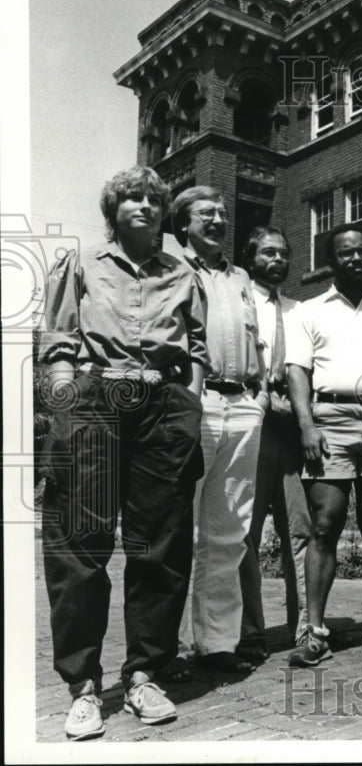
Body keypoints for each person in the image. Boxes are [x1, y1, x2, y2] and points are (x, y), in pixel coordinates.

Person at [39, 165, 206, 739]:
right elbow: (58, 341)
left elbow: (199, 347)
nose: (143, 205)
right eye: (131, 198)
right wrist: (65, 411)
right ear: (113, 211)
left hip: (163, 407)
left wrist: (191, 405)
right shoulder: (82, 264)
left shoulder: (184, 273)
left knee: (160, 544)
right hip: (94, 400)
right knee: (79, 544)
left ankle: (144, 675)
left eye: (152, 199)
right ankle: (83, 686)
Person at [285, 223, 362, 666]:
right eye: (345, 253)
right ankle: (315, 629)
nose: (355, 258)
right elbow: (297, 371)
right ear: (330, 261)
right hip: (330, 420)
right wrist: (306, 425)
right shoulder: (308, 310)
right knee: (326, 523)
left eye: (361, 250)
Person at [172, 186, 267, 674]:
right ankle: (163, 646)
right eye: (204, 214)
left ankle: (218, 643)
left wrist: (262, 395)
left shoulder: (242, 277)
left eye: (222, 213)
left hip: (245, 403)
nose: (216, 220)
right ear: (182, 224)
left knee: (230, 530)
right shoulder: (171, 272)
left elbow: (259, 341)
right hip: (199, 403)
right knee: (179, 528)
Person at [236, 227, 311, 658]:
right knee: (246, 530)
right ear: (251, 258)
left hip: (289, 434)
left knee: (299, 529)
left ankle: (304, 625)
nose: (278, 259)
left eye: (284, 253)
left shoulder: (299, 310)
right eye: (268, 252)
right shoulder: (239, 303)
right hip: (251, 425)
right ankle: (250, 630)